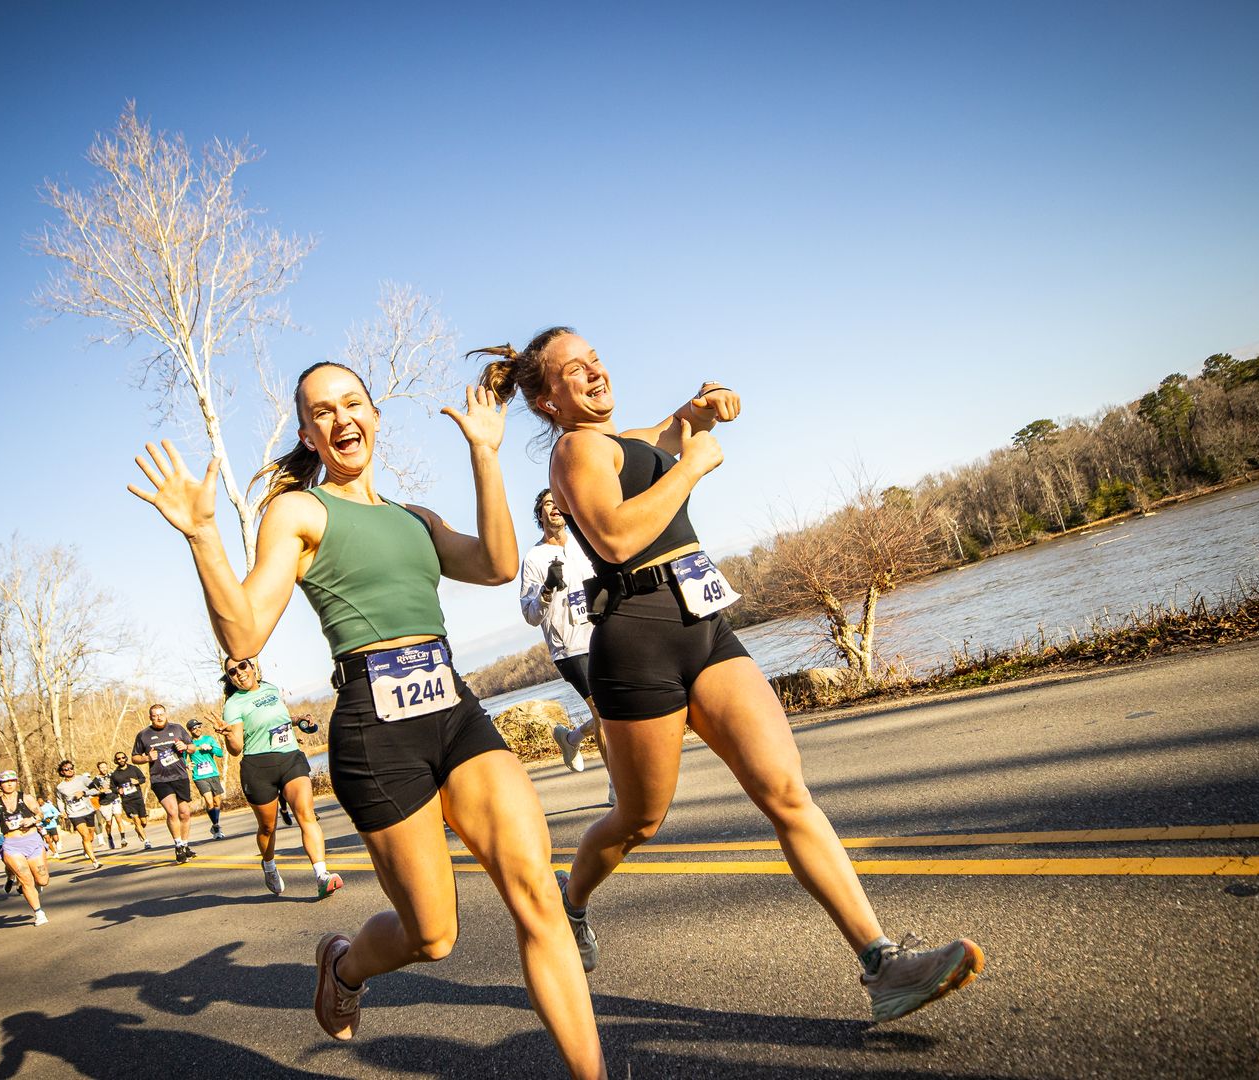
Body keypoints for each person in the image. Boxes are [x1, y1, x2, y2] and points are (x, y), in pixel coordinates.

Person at [472, 328, 984, 1024]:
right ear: (546, 399)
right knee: (636, 820)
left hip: (706, 627)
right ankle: (571, 901)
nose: (595, 371)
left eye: (595, 359)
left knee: (785, 791)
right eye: (574, 370)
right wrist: (692, 467)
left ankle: (881, 963)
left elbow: (681, 422)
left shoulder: (632, 440)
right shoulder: (574, 450)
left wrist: (709, 404)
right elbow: (618, 536)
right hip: (638, 642)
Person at [129, 364, 604, 1078]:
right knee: (433, 936)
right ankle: (345, 967)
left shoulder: (414, 518)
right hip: (373, 731)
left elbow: (501, 565)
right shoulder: (300, 512)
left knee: (537, 890)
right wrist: (202, 535)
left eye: (352, 403)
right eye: (322, 411)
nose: (340, 418)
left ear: (375, 417)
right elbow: (244, 636)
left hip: (454, 707)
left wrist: (484, 452)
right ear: (308, 434)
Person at [520, 487, 615, 806]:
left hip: (603, 633)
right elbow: (531, 615)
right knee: (602, 710)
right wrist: (547, 587)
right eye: (547, 504)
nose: (554, 508)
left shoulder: (583, 542)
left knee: (614, 711)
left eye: (558, 503)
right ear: (541, 515)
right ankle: (618, 787)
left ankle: (571, 738)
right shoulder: (533, 558)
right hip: (569, 648)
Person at [217, 655, 342, 898]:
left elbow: (278, 718)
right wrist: (228, 735)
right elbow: (236, 749)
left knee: (306, 814)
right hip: (258, 767)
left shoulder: (271, 688)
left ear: (252, 667)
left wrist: (298, 721)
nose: (239, 673)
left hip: (290, 759)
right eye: (232, 672)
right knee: (267, 827)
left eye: (242, 666)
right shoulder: (233, 704)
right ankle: (269, 865)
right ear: (230, 679)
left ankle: (322, 875)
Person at [130, 703, 199, 864]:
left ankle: (185, 845)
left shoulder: (177, 729)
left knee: (185, 813)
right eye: (155, 715)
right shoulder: (143, 735)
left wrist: (185, 746)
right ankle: (178, 845)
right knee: (172, 812)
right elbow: (134, 757)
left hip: (180, 776)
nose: (159, 717)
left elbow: (193, 747)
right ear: (150, 717)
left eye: (161, 714)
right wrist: (147, 758)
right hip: (160, 779)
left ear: (166, 714)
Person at [0, 771, 51, 926]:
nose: (9, 784)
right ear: (0, 785)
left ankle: (37, 886)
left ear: (16, 782)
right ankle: (39, 913)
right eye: (5, 782)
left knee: (42, 880)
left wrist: (32, 819)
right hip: (12, 845)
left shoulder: (26, 798)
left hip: (32, 841)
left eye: (12, 781)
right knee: (25, 880)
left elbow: (40, 814)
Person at [54, 760, 105, 869]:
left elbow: (97, 790)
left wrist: (84, 793)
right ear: (62, 772)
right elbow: (59, 800)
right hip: (74, 814)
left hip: (88, 810)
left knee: (90, 836)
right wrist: (62, 811)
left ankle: (86, 848)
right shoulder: (60, 787)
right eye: (66, 769)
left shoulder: (82, 779)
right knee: (85, 835)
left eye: (71, 768)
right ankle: (94, 861)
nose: (69, 770)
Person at [185, 719, 228, 841]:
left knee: (217, 802)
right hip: (199, 776)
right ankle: (216, 826)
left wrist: (210, 748)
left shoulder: (208, 739)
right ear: (190, 730)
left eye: (199, 727)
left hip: (213, 774)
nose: (197, 729)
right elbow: (183, 757)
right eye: (194, 728)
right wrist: (187, 765)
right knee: (209, 801)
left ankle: (215, 824)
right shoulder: (189, 743)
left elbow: (220, 753)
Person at [107, 753, 152, 850]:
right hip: (127, 801)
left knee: (143, 822)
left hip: (138, 798)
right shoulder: (115, 774)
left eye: (123, 758)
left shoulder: (133, 769)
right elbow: (112, 787)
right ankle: (146, 841)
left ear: (126, 758)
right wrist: (118, 790)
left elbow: (143, 778)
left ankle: (138, 830)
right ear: (116, 761)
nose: (121, 760)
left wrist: (137, 781)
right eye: (119, 759)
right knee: (136, 820)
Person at [89, 760, 121, 850]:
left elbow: (119, 783)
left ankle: (123, 838)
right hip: (104, 802)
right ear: (98, 769)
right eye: (101, 767)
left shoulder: (112, 775)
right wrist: (99, 791)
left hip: (115, 798)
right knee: (109, 822)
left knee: (118, 818)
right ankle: (109, 836)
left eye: (105, 766)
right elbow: (91, 792)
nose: (104, 769)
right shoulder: (95, 780)